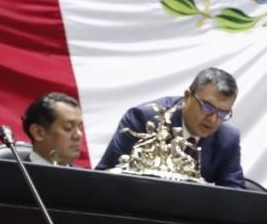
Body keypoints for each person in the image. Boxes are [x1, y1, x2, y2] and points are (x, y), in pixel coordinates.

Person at [96, 68, 245, 188]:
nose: (213, 119)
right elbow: (105, 177)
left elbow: (235, 195)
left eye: (223, 113)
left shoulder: (227, 139)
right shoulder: (144, 119)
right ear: (187, 97)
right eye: (207, 107)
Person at [19, 92, 86, 167]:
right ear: (38, 132)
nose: (79, 135)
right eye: (68, 128)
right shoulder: (12, 176)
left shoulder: (88, 177)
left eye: (81, 128)